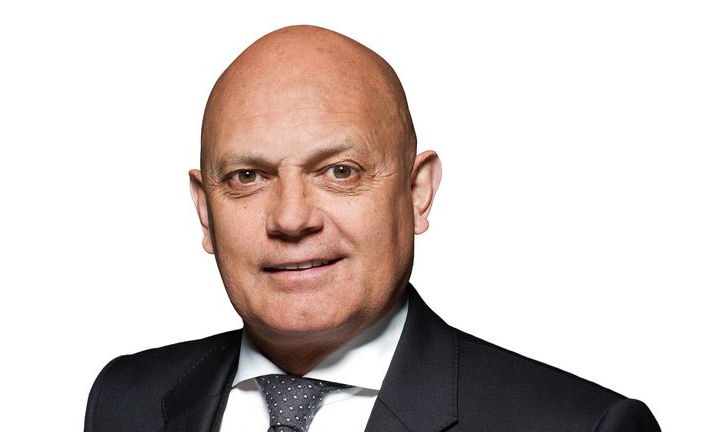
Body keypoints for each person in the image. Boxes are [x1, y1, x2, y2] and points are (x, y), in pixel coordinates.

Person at [84, 25, 660, 432]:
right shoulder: (126, 401)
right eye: (247, 177)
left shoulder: (580, 425)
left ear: (417, 192)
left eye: (340, 171)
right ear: (205, 211)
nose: (291, 219)